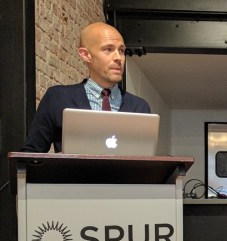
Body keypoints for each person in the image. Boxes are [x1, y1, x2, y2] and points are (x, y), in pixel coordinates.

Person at [22, 22, 151, 152]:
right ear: (85, 55)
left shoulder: (139, 107)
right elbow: (31, 155)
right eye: (108, 49)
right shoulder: (58, 98)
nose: (118, 58)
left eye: (121, 50)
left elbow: (145, 161)